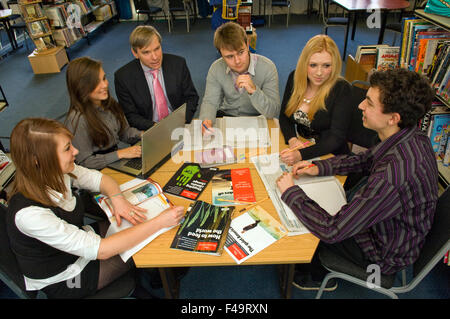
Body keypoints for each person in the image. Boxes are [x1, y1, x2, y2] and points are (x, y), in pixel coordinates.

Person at [276, 68, 437, 290]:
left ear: (393, 118)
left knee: (306, 225)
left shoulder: (392, 177)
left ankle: (311, 274)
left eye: (369, 103)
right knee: (319, 202)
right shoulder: (411, 136)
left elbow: (332, 230)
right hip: (396, 230)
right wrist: (318, 166)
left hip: (381, 254)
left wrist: (291, 193)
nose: (360, 105)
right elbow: (365, 160)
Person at [5, 118, 185, 298]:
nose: (75, 151)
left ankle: (154, 276)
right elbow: (103, 250)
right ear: (40, 160)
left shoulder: (58, 171)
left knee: (139, 226)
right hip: (64, 277)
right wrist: (159, 222)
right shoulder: (30, 214)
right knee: (145, 237)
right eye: (67, 148)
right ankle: (158, 280)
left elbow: (101, 180)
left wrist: (118, 200)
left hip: (77, 242)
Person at [279, 35, 352, 166]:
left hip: (331, 156)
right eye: (313, 65)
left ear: (334, 65)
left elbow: (335, 139)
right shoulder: (295, 78)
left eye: (326, 65)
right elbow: (284, 116)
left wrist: (300, 155)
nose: (319, 73)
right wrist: (292, 139)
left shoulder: (342, 89)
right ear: (304, 63)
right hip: (302, 145)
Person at [199, 22, 280, 134]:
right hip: (227, 118)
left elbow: (273, 112)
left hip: (258, 119)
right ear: (221, 54)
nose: (237, 61)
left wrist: (254, 91)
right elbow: (210, 102)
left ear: (247, 45)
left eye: (241, 52)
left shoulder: (268, 67)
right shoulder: (216, 68)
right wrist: (207, 120)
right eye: (229, 56)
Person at [114, 25, 199, 130]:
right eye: (146, 52)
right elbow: (130, 115)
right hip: (148, 130)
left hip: (179, 124)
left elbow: (191, 98)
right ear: (135, 53)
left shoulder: (178, 64)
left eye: (157, 49)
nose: (155, 57)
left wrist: (181, 120)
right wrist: (157, 128)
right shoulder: (123, 77)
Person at [64, 57, 142, 170]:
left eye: (104, 78)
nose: (104, 85)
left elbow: (124, 132)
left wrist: (143, 135)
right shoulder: (77, 120)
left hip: (116, 161)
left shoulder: (108, 103)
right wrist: (120, 154)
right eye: (96, 82)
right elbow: (85, 163)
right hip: (98, 172)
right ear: (81, 87)